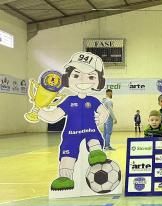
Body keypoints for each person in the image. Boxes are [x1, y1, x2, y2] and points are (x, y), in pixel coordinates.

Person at [37, 52, 109, 190]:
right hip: (71, 134)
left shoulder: (93, 100)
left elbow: (104, 112)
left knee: (94, 140)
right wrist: (40, 111)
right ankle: (65, 177)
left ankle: (96, 152)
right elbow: (53, 116)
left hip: (90, 130)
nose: (83, 80)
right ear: (67, 78)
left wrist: (101, 118)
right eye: (76, 75)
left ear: (99, 81)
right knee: (67, 156)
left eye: (90, 76)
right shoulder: (69, 101)